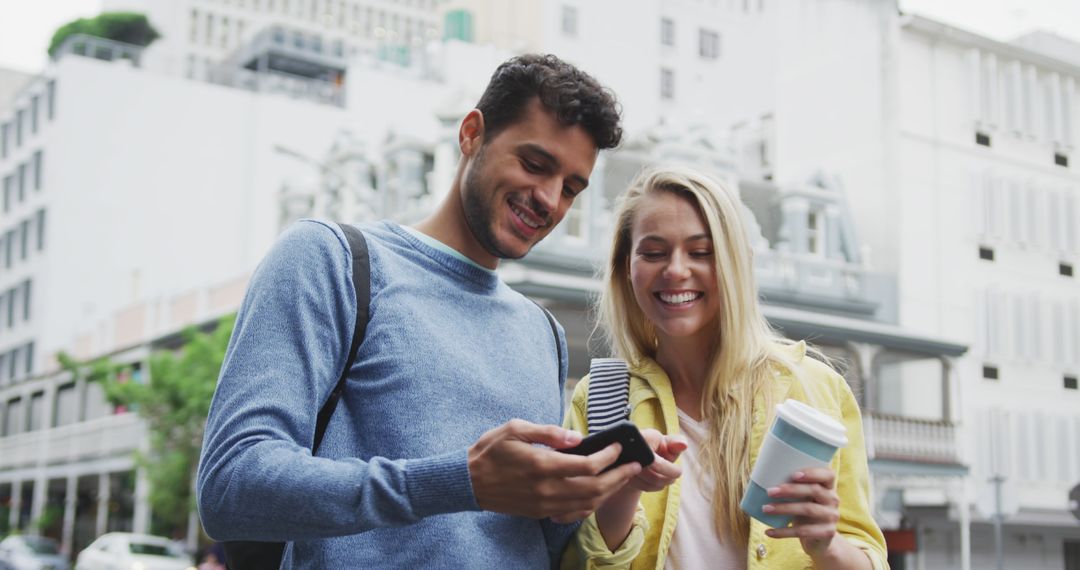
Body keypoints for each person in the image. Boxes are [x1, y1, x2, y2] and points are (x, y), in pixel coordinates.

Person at [197, 54, 674, 568]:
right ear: (472, 133)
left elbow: (536, 544)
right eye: (534, 165)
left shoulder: (543, 333)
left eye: (571, 188)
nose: (549, 200)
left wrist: (606, 487)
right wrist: (459, 481)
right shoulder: (330, 259)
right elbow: (231, 485)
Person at [562, 166, 888, 569]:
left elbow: (868, 556)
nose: (676, 270)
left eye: (701, 252)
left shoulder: (815, 389)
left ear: (738, 264)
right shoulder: (601, 399)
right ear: (625, 268)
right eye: (654, 252)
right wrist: (619, 502)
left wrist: (828, 546)